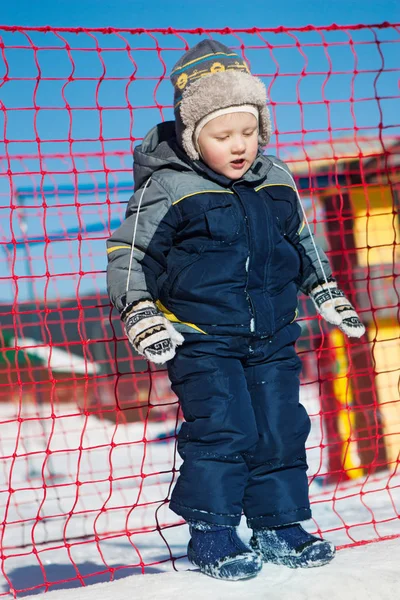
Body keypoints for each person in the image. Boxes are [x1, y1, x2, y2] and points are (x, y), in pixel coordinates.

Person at [106, 40, 365, 581]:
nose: (240, 145)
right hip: (201, 336)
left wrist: (324, 288)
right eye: (224, 136)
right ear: (193, 136)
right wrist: (141, 312)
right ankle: (214, 531)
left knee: (280, 426)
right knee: (224, 427)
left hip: (272, 332)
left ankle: (278, 525)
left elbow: (301, 239)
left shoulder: (276, 178)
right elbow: (131, 253)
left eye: (249, 132)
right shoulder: (169, 187)